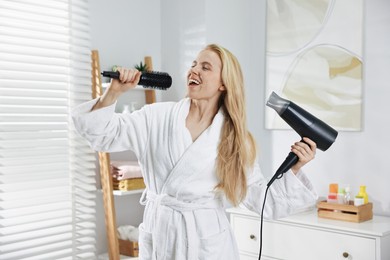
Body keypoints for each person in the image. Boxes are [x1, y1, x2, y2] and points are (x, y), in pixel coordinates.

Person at [72, 43, 318, 260]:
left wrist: (295, 167)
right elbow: (101, 135)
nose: (194, 70)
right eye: (193, 64)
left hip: (206, 242)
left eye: (205, 67)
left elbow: (262, 201)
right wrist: (113, 92)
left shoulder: (235, 139)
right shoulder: (156, 117)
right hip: (161, 234)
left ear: (224, 84)